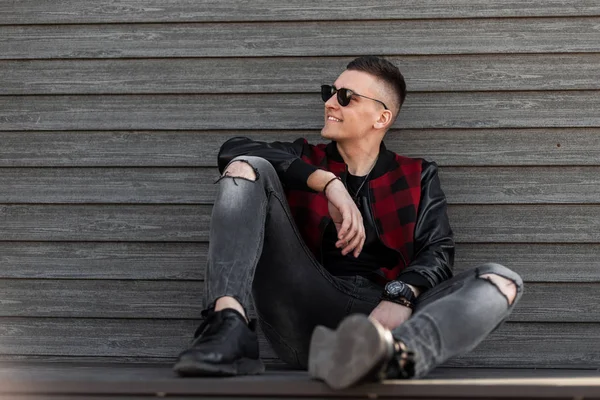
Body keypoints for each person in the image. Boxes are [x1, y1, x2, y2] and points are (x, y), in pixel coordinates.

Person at [173, 56, 524, 389]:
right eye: (330, 92)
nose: (330, 103)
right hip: (305, 309)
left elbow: (438, 251)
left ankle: (394, 356)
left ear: (381, 118)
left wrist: (400, 295)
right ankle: (228, 323)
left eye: (345, 97)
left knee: (502, 280)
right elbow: (231, 150)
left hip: (381, 321)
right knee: (245, 167)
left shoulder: (417, 174)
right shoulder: (303, 158)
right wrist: (326, 182)